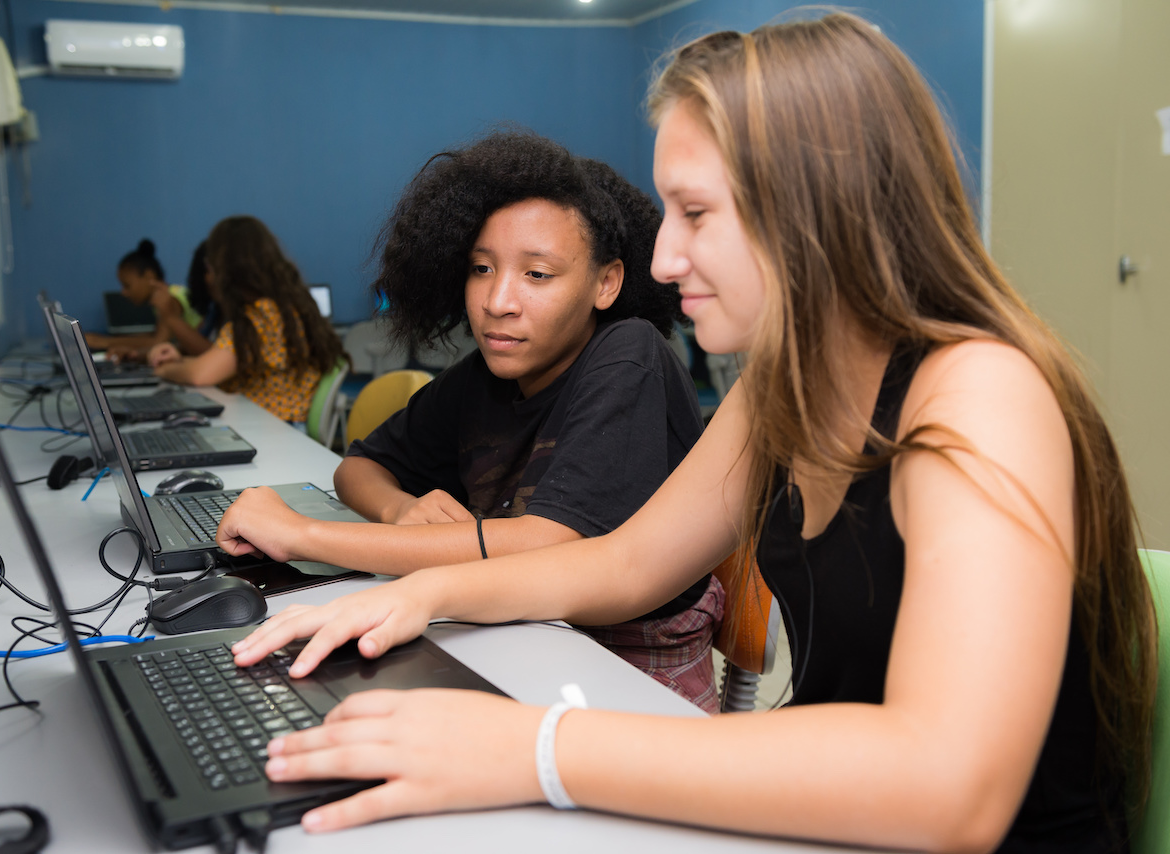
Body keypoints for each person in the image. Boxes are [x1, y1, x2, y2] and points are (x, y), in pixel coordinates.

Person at [225, 14, 1157, 852]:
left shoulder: (979, 397)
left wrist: (540, 746)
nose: (665, 259)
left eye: (697, 214)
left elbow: (954, 788)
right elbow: (628, 564)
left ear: (815, 210)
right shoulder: (783, 386)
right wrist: (423, 591)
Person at [216, 132, 723, 711]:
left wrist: (302, 535)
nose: (497, 300)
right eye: (481, 268)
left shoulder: (628, 353)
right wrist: (398, 510)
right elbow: (360, 465)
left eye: (538, 275)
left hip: (627, 660)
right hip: (519, 627)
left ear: (606, 283)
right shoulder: (483, 375)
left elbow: (547, 545)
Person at [149, 216, 345, 424]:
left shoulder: (260, 317)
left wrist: (164, 369)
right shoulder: (280, 307)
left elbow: (201, 375)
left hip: (279, 431)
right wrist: (179, 361)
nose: (209, 276)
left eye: (210, 265)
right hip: (272, 424)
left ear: (224, 269)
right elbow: (217, 363)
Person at [84, 239, 213, 360]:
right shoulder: (167, 295)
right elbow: (155, 335)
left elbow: (159, 342)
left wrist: (103, 342)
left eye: (127, 286)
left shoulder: (170, 299)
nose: (123, 293)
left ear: (149, 276)